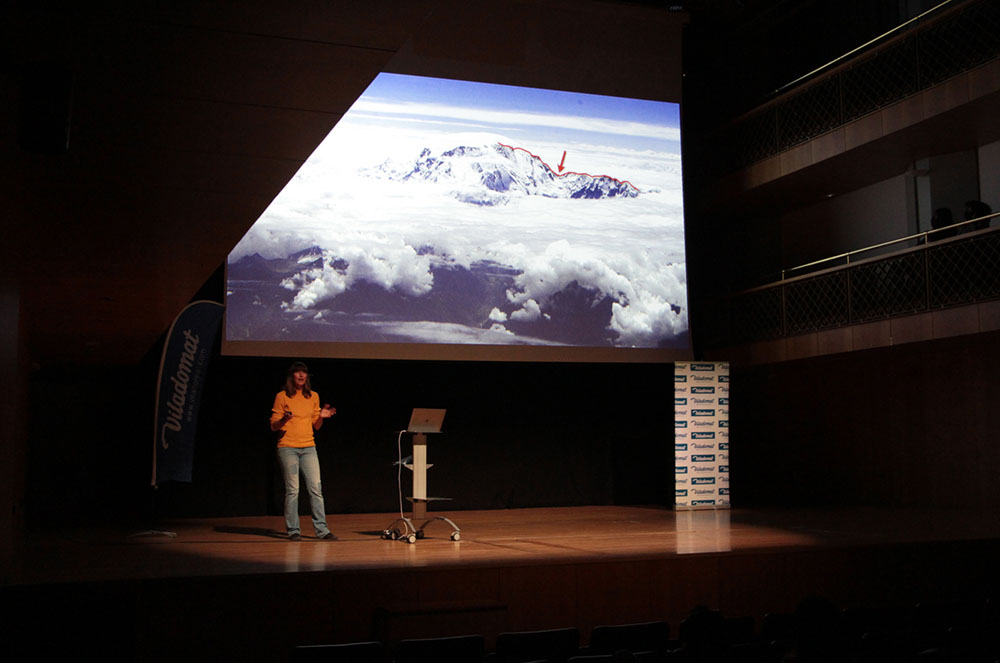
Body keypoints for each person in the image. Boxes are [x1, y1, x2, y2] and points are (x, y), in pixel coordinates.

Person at [270, 361, 337, 541]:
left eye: (304, 372)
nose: (301, 375)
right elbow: (274, 426)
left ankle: (322, 530)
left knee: (316, 489)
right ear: (291, 376)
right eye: (297, 372)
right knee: (293, 490)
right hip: (288, 448)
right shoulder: (282, 396)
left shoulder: (313, 396)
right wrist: (284, 420)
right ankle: (293, 530)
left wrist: (321, 416)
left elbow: (317, 426)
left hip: (309, 447)